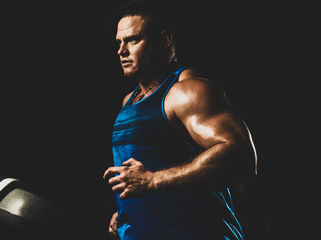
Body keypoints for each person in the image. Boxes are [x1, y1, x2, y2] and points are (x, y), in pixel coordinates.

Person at [102, 0, 258, 239]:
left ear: (164, 40)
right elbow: (146, 174)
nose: (121, 50)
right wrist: (130, 212)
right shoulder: (129, 102)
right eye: (119, 42)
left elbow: (240, 156)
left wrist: (152, 181)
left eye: (133, 40)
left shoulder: (186, 92)